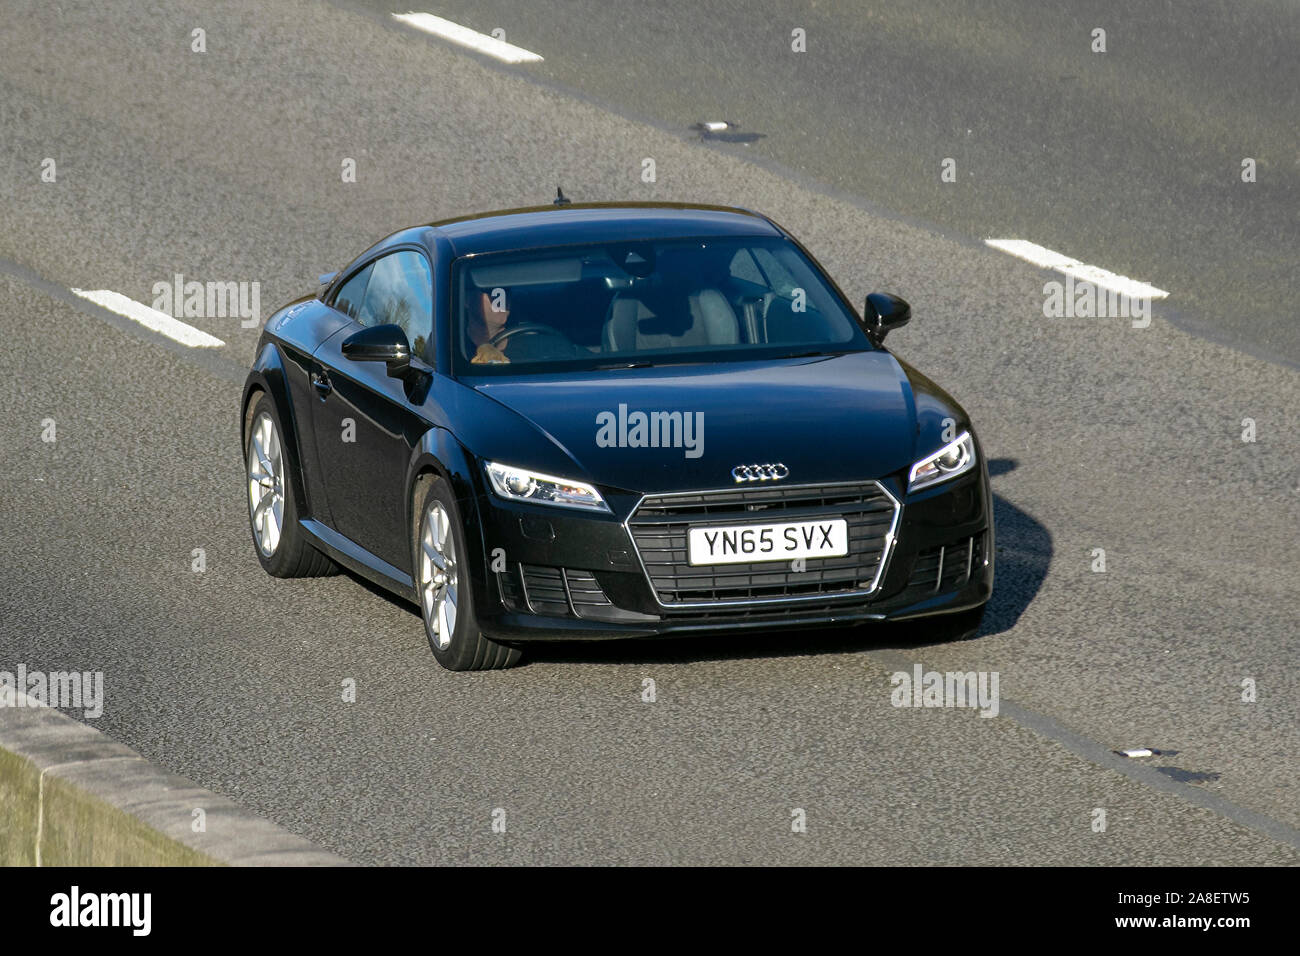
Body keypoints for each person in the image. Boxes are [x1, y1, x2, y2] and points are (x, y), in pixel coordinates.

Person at [468, 289, 513, 364]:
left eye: (505, 292)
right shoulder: (452, 351)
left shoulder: (529, 345)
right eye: (491, 292)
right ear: (467, 300)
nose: (501, 299)